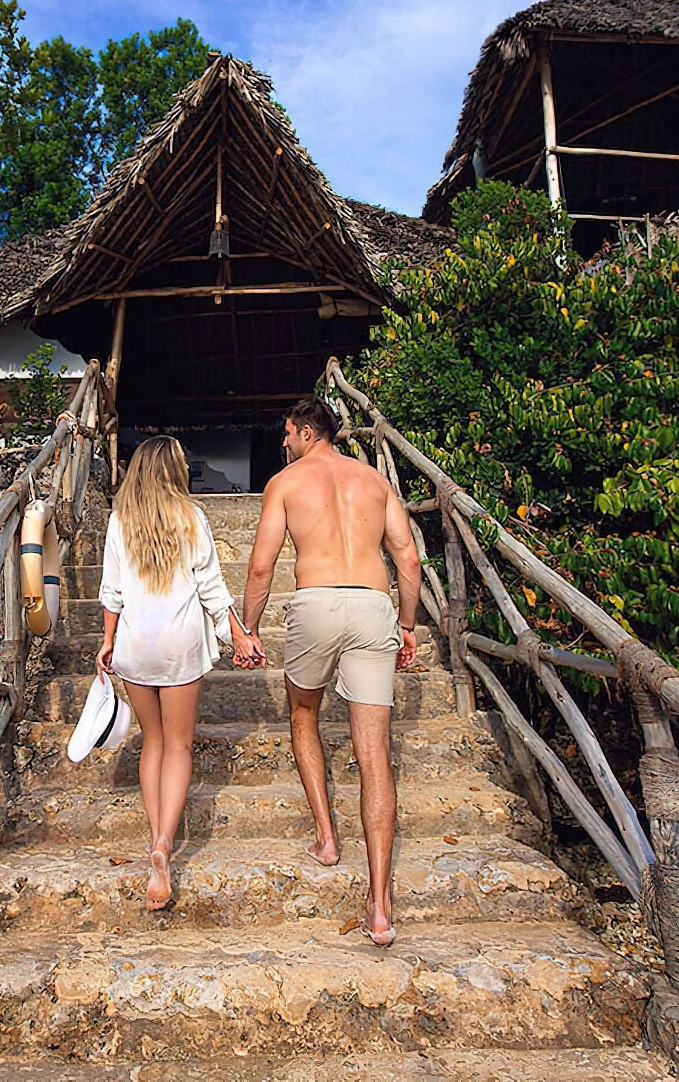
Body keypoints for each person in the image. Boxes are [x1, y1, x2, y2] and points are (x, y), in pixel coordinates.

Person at [237, 397, 420, 947]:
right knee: (375, 753)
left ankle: (326, 837)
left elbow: (262, 565)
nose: (283, 443)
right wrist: (407, 626)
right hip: (371, 605)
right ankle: (381, 905)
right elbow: (407, 559)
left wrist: (248, 628)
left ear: (305, 431)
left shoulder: (287, 482)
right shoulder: (374, 480)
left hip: (315, 602)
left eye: (286, 433)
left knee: (302, 712)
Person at [97, 436, 256, 910]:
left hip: (136, 643)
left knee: (154, 742)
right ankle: (167, 841)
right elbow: (211, 587)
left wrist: (107, 642)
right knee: (180, 744)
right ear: (173, 469)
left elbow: (112, 591)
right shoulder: (192, 516)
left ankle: (154, 842)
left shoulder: (120, 519)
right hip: (180, 641)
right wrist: (240, 635)